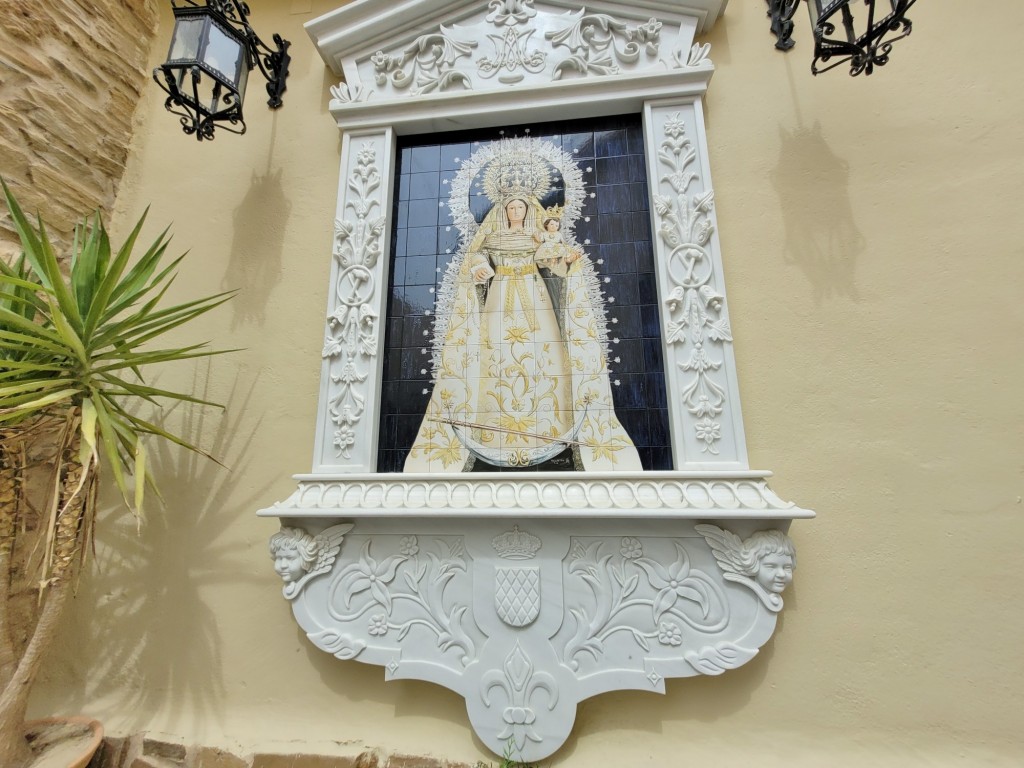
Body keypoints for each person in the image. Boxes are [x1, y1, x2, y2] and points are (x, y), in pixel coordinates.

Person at [404, 138, 641, 472]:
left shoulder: (538, 237)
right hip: (500, 297)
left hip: (534, 295)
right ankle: (491, 432)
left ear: (529, 210)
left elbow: (552, 262)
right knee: (495, 357)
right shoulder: (492, 237)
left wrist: (569, 262)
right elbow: (475, 259)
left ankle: (547, 431)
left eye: (521, 208)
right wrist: (478, 267)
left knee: (543, 355)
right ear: (503, 210)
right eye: (511, 208)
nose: (516, 212)